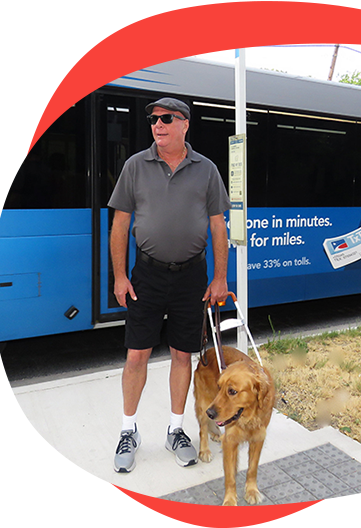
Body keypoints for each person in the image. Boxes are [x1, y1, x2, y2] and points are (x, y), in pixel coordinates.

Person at [109, 97, 231, 473]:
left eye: (166, 119)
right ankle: (129, 430)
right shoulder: (135, 166)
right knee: (136, 355)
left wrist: (220, 277)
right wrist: (120, 276)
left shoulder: (206, 170)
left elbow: (217, 227)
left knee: (183, 355)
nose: (157, 125)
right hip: (146, 274)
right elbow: (120, 225)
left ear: (184, 125)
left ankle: (176, 430)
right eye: (153, 120)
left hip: (191, 277)